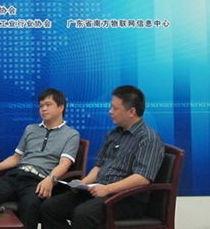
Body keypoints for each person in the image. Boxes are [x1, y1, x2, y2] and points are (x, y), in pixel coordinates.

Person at [40, 85, 165, 229]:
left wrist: (108, 189)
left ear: (131, 111)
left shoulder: (148, 139)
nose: (110, 111)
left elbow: (142, 178)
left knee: (83, 214)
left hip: (126, 198)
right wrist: (82, 183)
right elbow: (99, 166)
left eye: (115, 108)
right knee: (49, 207)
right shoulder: (113, 134)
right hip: (99, 190)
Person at [0, 88, 80, 229]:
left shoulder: (71, 134)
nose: (44, 109)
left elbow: (64, 164)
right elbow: (16, 158)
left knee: (30, 207)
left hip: (38, 181)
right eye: (41, 106)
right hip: (15, 176)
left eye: (48, 105)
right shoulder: (31, 129)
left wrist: (51, 179)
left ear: (61, 107)